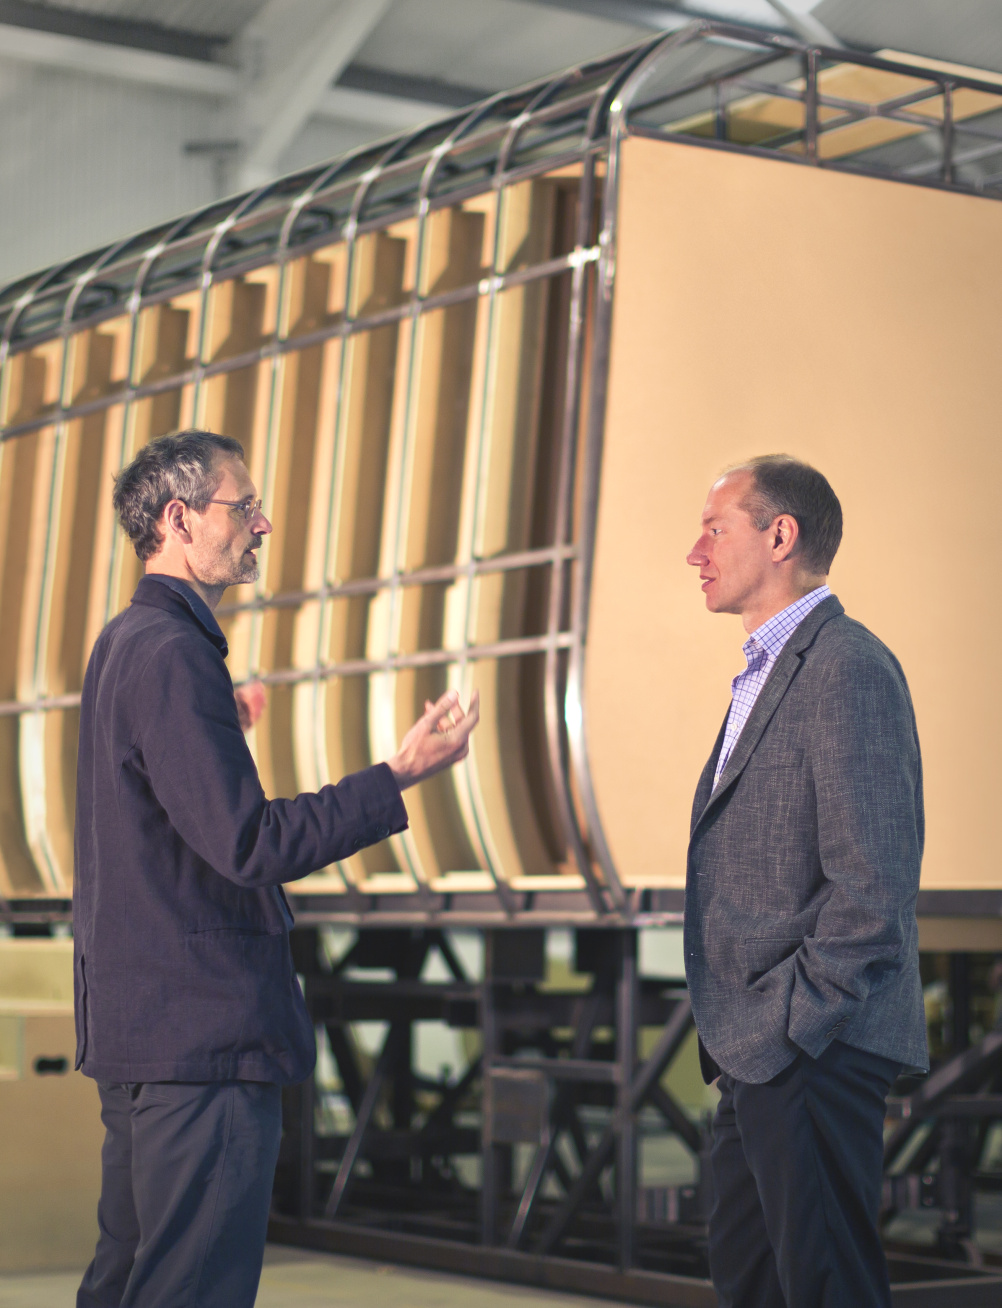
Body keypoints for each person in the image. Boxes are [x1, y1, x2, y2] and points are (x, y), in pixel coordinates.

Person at [73, 429, 479, 1308]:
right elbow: (249, 845)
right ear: (180, 519)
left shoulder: (125, 643)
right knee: (191, 1290)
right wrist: (396, 776)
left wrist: (218, 732)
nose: (263, 522)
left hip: (141, 1034)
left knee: (126, 1282)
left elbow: (157, 812)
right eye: (243, 506)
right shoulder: (175, 654)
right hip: (202, 1041)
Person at [684, 455, 927, 1308]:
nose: (695, 552)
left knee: (827, 1288)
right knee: (751, 1281)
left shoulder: (846, 666)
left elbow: (875, 878)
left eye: (715, 528)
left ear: (779, 535)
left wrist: (796, 1023)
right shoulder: (767, 668)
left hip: (811, 1044)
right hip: (761, 1049)